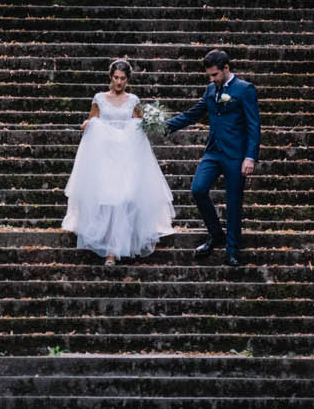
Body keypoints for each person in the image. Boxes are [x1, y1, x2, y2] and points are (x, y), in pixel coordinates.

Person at [61, 58, 177, 264]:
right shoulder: (99, 98)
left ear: (128, 80)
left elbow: (138, 124)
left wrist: (150, 121)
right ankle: (109, 251)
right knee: (107, 199)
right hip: (104, 155)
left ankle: (124, 243)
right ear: (110, 77)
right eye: (116, 78)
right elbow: (93, 119)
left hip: (126, 155)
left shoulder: (133, 100)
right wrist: (88, 124)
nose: (119, 82)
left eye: (123, 79)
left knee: (125, 198)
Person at [165, 49, 260, 268]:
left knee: (234, 202)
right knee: (198, 190)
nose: (211, 79)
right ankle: (216, 234)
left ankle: (232, 249)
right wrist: (162, 126)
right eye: (209, 75)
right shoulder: (210, 90)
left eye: (215, 75)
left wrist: (250, 157)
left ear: (226, 68)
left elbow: (254, 126)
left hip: (236, 155)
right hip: (213, 153)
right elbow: (192, 114)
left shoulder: (245, 90)